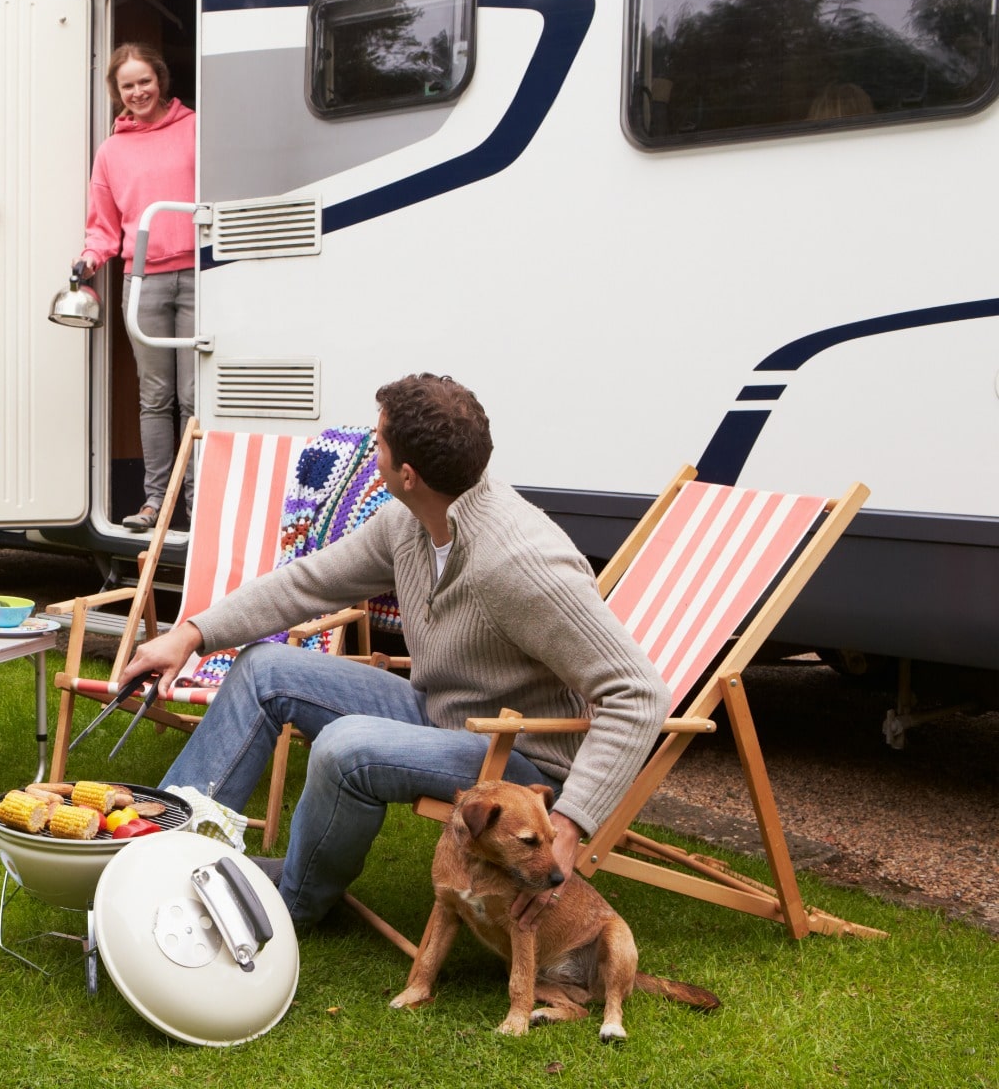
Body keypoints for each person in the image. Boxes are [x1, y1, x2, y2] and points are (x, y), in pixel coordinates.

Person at [123, 373, 669, 927]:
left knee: (345, 746)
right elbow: (305, 583)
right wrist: (190, 633)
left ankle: (294, 904)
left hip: (517, 755)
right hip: (439, 714)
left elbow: (639, 692)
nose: (371, 449)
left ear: (406, 475)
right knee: (264, 669)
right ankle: (158, 849)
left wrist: (570, 826)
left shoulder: (520, 562)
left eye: (378, 442)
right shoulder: (407, 521)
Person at [73, 42, 197, 531]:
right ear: (117, 92)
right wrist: (89, 258)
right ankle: (156, 504)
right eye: (128, 85)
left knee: (193, 395)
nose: (138, 91)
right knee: (156, 397)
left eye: (145, 80)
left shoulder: (194, 129)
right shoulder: (112, 151)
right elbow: (102, 226)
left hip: (197, 277)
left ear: (160, 79)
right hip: (142, 281)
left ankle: (198, 501)